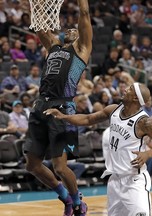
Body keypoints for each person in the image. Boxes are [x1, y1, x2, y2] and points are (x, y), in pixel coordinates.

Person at [43, 83, 152, 216]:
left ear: (135, 98)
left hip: (134, 180)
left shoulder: (144, 122)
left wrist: (148, 153)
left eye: (130, 89)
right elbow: (87, 119)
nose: (125, 89)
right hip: (114, 180)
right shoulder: (113, 110)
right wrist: (63, 117)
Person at [23, 0, 92, 215]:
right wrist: (34, 4)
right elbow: (39, 23)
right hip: (41, 105)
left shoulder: (82, 48)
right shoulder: (53, 46)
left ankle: (78, 202)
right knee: (32, 165)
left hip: (63, 108)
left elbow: (84, 12)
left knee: (60, 167)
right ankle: (66, 198)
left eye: (75, 29)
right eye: (68, 28)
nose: (71, 29)